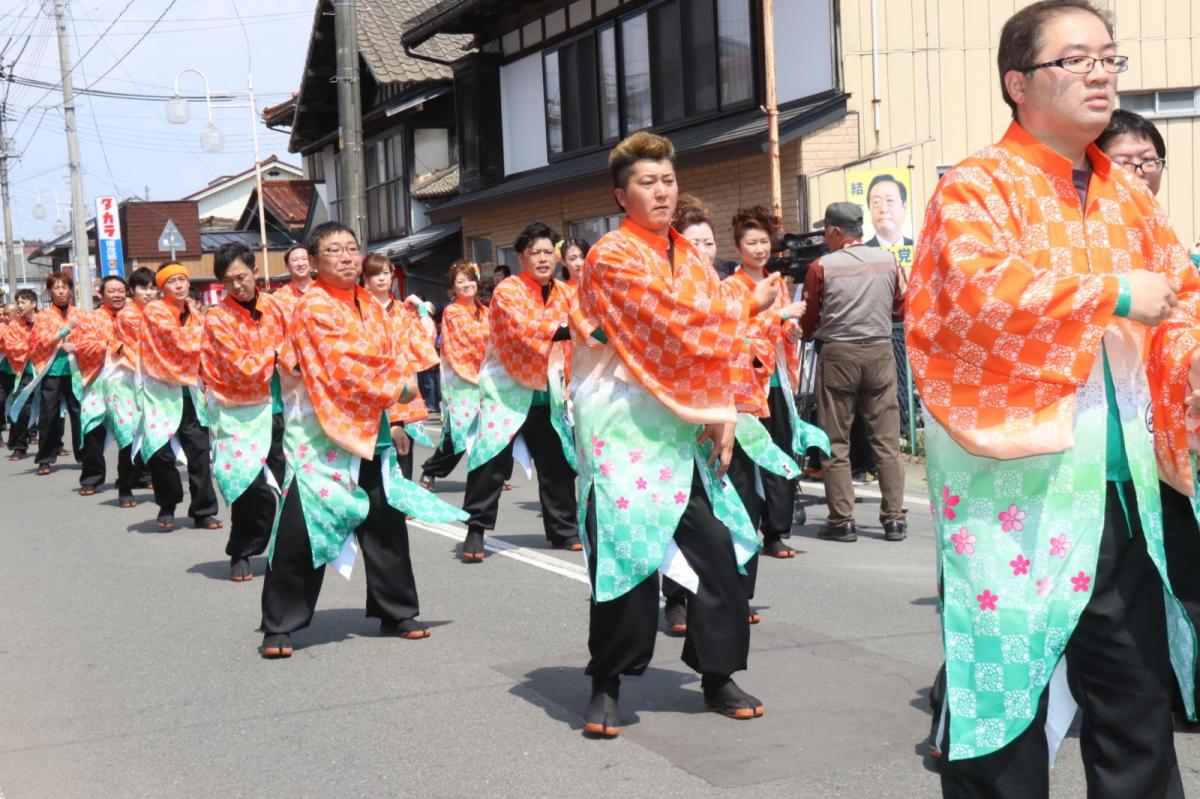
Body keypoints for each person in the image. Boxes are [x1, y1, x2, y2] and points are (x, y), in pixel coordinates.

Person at [909, 2, 1197, 794]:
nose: (1101, 73)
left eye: (1110, 58)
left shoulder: (1128, 199)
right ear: (1018, 82)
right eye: (1077, 60)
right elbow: (971, 297)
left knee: (1135, 704)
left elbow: (1183, 300)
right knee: (1003, 702)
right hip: (1014, 492)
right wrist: (1109, 293)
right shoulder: (976, 188)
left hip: (1118, 490)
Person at [575, 130, 803, 737]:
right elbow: (671, 326)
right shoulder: (611, 257)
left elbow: (714, 351)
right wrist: (747, 306)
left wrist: (724, 414)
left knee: (718, 552)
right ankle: (606, 681)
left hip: (685, 430)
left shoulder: (693, 261)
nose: (661, 191)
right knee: (625, 559)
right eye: (647, 182)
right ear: (621, 195)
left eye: (668, 180)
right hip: (623, 429)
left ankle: (716, 673)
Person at [258, 221, 465, 658]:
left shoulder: (371, 305)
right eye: (334, 250)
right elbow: (347, 365)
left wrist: (397, 417)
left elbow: (397, 355)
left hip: (372, 426)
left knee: (385, 521)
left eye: (352, 248)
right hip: (320, 434)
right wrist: (402, 388)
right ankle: (280, 622)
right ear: (313, 263)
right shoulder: (311, 306)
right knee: (300, 526)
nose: (347, 256)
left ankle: (396, 610)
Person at [1095, 110, 1200, 729]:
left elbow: (1184, 320)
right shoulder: (1073, 233)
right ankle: (968, 710)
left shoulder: (1164, 239)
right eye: (1125, 161)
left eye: (1149, 160)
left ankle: (1177, 692)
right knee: (1062, 585)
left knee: (1176, 569)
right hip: (1090, 446)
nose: (1140, 172)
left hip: (1166, 443)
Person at [459, 222, 579, 561]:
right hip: (507, 387)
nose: (542, 259)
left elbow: (583, 332)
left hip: (549, 388)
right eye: (534, 253)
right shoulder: (508, 290)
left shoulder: (567, 292)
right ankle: (476, 530)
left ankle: (563, 530)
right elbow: (522, 330)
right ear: (521, 256)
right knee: (490, 459)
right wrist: (568, 330)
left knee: (556, 462)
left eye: (547, 253)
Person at [798, 202, 907, 543]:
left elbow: (810, 318)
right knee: (886, 441)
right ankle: (893, 520)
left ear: (834, 231)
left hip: (838, 355)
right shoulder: (889, 260)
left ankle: (842, 521)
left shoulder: (821, 267)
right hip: (879, 351)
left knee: (836, 441)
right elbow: (900, 308)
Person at [201, 243, 288, 582]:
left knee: (287, 486)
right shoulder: (218, 318)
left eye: (242, 276)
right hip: (239, 412)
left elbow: (297, 344)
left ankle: (284, 549)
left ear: (254, 270)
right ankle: (242, 549)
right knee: (249, 485)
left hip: (281, 405)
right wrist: (278, 353)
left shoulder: (276, 308)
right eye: (229, 280)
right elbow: (240, 365)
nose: (238, 285)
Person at [140, 262, 220, 531]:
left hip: (192, 391)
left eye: (183, 280)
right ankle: (167, 503)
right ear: (161, 287)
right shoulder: (155, 310)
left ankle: (203, 510)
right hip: (161, 390)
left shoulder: (195, 314)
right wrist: (207, 334)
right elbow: (175, 340)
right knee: (160, 452)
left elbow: (207, 349)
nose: (179, 285)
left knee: (199, 452)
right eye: (172, 281)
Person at [360, 253, 440, 480]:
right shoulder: (359, 311)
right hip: (372, 390)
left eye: (386, 273)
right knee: (374, 459)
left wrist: (421, 310)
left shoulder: (404, 311)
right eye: (375, 274)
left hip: (403, 390)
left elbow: (426, 337)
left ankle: (400, 512)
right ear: (365, 278)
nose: (382, 278)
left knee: (404, 455)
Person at [420, 261, 489, 489]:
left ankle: (490, 476)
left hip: (488, 378)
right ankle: (431, 470)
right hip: (463, 381)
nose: (466, 284)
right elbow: (460, 345)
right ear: (453, 288)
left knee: (490, 430)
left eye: (470, 279)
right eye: (460, 281)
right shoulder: (452, 312)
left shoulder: (487, 312)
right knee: (458, 433)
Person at [26, 272, 85, 475]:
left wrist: (77, 345)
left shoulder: (80, 313)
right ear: (50, 291)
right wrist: (64, 331)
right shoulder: (43, 316)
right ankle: (45, 458)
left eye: (64, 287)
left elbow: (89, 339)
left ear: (70, 289)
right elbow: (40, 342)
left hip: (76, 371)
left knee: (79, 414)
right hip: (52, 370)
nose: (61, 291)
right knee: (49, 414)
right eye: (56, 287)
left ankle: (85, 455)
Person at [105, 267, 155, 508]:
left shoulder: (160, 312)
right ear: (132, 290)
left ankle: (148, 478)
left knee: (153, 432)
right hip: (126, 379)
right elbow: (136, 348)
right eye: (144, 287)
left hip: (153, 378)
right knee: (128, 434)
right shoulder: (128, 315)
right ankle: (125, 487)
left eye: (153, 287)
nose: (150, 292)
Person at [75, 276, 128, 495]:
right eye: (112, 291)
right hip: (97, 380)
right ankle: (91, 478)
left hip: (128, 382)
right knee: (93, 429)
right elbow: (83, 345)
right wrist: (112, 345)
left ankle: (135, 476)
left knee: (131, 431)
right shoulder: (91, 319)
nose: (117, 295)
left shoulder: (135, 316)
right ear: (101, 294)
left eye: (121, 291)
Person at [4, 290, 37, 459]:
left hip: (48, 370)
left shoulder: (46, 321)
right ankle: (19, 445)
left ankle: (54, 445)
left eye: (23, 302)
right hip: (25, 372)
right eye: (18, 303)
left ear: (34, 304)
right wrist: (34, 348)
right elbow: (11, 347)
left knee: (52, 411)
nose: (20, 306)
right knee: (22, 407)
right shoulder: (14, 326)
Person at [863, 174, 913, 248]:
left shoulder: (918, 249)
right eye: (876, 202)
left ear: (904, 207)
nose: (883, 209)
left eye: (890, 200)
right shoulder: (862, 252)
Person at [272, 243, 313, 319]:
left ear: (311, 262)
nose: (300, 263)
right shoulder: (279, 297)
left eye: (304, 259)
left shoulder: (325, 290)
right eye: (295, 260)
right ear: (287, 266)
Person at [0, 302, 16, 435]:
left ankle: (31, 433)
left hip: (22, 370)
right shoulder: (2, 328)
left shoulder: (24, 327)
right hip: (3, 369)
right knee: (1, 399)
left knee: (25, 401)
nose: (4, 317)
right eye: (2, 315)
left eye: (6, 314)